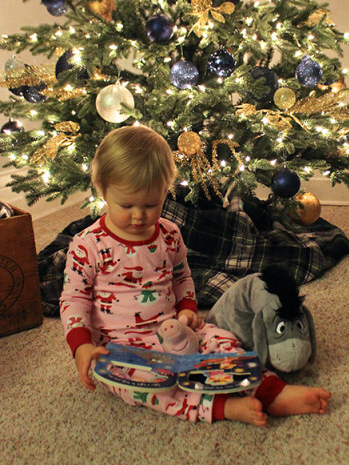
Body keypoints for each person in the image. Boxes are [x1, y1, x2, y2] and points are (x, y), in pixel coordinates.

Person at [60, 125, 331, 426]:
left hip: (175, 328)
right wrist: (82, 345)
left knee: (225, 342)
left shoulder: (169, 233)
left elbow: (181, 278)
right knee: (145, 384)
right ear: (102, 189)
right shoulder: (87, 244)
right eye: (127, 205)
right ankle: (222, 407)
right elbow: (74, 298)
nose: (139, 215)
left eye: (151, 204)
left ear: (166, 190)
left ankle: (271, 392)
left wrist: (188, 310)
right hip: (122, 346)